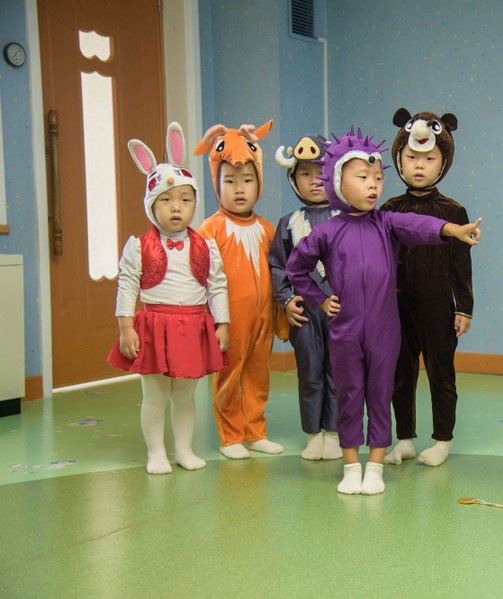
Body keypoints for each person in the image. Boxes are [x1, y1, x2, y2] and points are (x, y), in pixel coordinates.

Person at [285, 128, 483, 495]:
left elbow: (419, 225)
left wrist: (451, 229)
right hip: (344, 330)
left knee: (380, 394)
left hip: (384, 330)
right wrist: (318, 298)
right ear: (338, 182)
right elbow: (296, 267)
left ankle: (374, 466)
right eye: (363, 178)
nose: (374, 185)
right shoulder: (327, 231)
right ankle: (350, 466)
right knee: (349, 396)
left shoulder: (387, 222)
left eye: (378, 178)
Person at [108, 122, 229, 474]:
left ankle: (184, 450)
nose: (176, 208)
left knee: (186, 395)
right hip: (154, 325)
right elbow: (127, 285)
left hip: (193, 326)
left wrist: (222, 323)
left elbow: (217, 285)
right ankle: (155, 452)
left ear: (194, 204)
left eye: (185, 200)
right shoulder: (138, 245)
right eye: (166, 200)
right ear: (151, 205)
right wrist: (125, 327)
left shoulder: (205, 246)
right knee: (156, 394)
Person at [381, 109, 473, 467]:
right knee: (399, 374)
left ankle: (442, 439)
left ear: (443, 162)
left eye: (429, 158)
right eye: (411, 157)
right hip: (396, 307)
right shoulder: (389, 209)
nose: (420, 165)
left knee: (440, 373)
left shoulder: (453, 211)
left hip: (438, 307)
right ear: (399, 161)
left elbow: (461, 264)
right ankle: (404, 438)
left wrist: (463, 307)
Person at [194, 120, 285, 459]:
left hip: (262, 317)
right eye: (230, 181)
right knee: (229, 374)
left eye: (247, 180)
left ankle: (255, 430)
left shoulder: (266, 229)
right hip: (228, 320)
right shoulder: (209, 229)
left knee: (258, 373)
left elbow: (278, 272)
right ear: (217, 185)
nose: (239, 189)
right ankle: (231, 435)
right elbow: (200, 278)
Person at [269, 134, 342, 461]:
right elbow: (278, 264)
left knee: (341, 373)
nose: (314, 180)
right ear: (293, 179)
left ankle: (338, 432)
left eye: (321, 171)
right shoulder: (288, 224)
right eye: (305, 173)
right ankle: (314, 434)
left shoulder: (348, 220)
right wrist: (286, 299)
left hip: (342, 311)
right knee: (310, 372)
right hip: (305, 312)